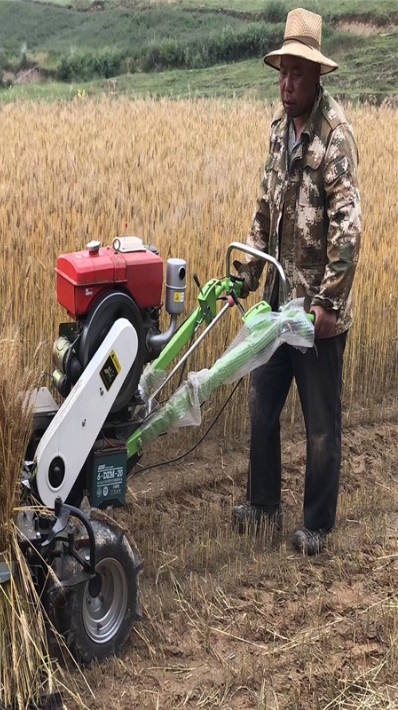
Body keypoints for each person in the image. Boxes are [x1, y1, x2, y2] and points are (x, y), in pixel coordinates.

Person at [231, 7, 362, 555]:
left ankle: (318, 525)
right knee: (263, 407)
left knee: (320, 423)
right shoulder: (277, 132)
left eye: (297, 74)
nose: (286, 84)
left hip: (315, 312)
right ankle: (263, 504)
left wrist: (329, 304)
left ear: (317, 78)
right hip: (278, 301)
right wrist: (248, 274)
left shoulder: (335, 139)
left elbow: (349, 231)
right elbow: (266, 209)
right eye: (283, 72)